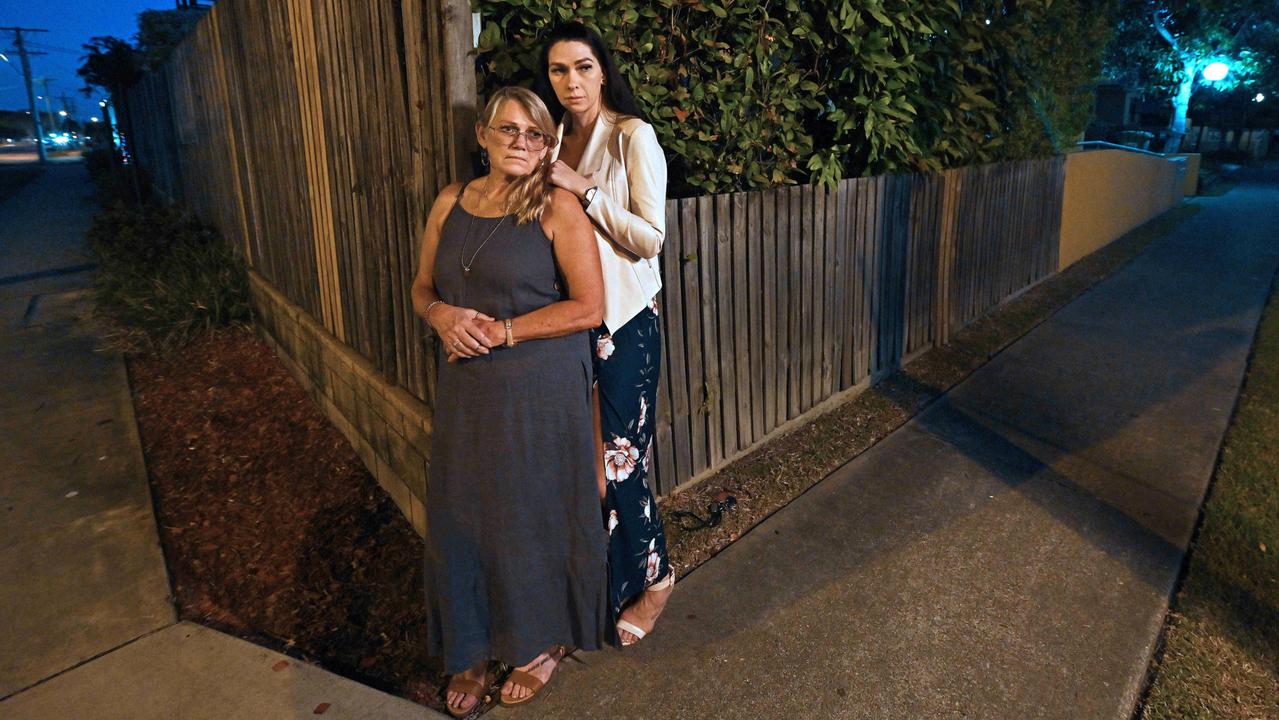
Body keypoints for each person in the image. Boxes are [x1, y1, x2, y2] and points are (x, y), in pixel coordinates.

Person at [410, 86, 606, 715]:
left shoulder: (556, 207)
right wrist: (439, 313)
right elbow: (420, 287)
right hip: (468, 387)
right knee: (462, 513)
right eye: (509, 131)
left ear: (549, 145)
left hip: (540, 386)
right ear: (483, 137)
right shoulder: (450, 201)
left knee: (528, 518)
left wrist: (505, 331)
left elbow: (589, 307)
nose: (522, 144)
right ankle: (468, 646)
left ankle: (538, 644)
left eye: (536, 135)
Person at [538, 22, 674, 647]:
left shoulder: (630, 137)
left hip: (624, 323)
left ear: (603, 70)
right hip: (570, 324)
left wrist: (585, 191)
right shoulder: (555, 139)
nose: (572, 82)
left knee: (622, 466)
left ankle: (657, 580)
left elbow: (651, 238)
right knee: (587, 472)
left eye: (583, 67)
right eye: (560, 70)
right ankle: (609, 584)